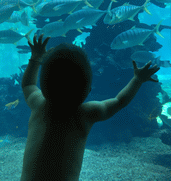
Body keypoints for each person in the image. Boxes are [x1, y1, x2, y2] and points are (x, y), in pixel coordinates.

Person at [20, 34, 160, 181]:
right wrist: (137, 80)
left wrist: (35, 58)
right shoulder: (85, 114)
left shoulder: (37, 103)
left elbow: (28, 84)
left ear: (44, 84)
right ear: (87, 89)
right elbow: (119, 101)